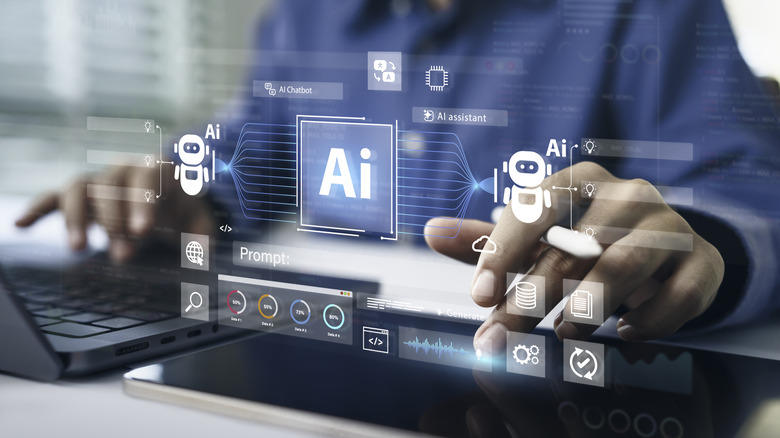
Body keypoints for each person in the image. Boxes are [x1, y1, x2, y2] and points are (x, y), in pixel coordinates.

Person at [16, 0, 780, 353]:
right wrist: (185, 192)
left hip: (551, 374)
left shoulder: (651, 11)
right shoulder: (302, 17)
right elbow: (250, 142)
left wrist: (699, 244)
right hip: (321, 356)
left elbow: (745, 187)